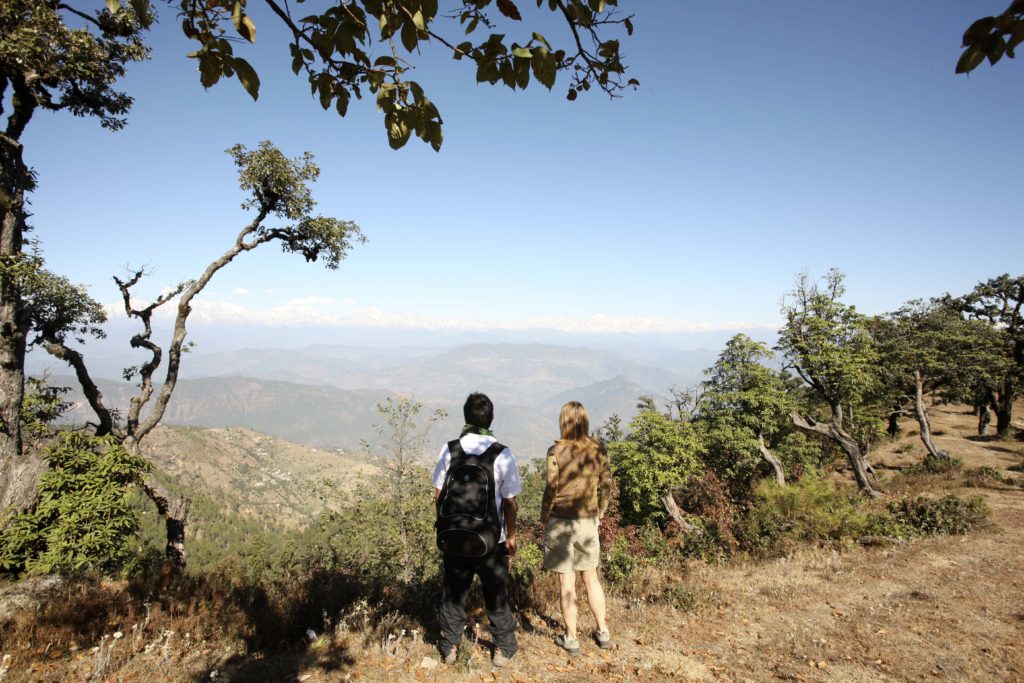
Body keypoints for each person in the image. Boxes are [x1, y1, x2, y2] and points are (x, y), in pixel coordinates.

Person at [433, 392, 522, 668]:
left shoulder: (450, 449)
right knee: (496, 594)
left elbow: (438, 494)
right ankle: (503, 648)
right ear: (491, 418)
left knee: (453, 592)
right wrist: (511, 535)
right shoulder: (502, 454)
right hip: (491, 541)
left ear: (465, 417)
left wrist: (445, 526)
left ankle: (450, 646)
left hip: (455, 537)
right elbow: (510, 502)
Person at [540, 400, 614, 656]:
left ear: (563, 422)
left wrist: (544, 516)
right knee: (591, 577)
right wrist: (600, 511)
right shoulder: (598, 448)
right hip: (588, 522)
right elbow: (607, 483)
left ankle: (571, 638)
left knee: (567, 583)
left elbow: (551, 489)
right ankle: (603, 631)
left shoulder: (555, 452)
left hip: (561, 522)